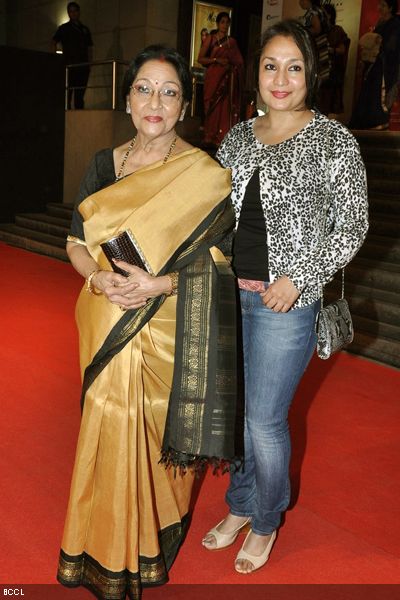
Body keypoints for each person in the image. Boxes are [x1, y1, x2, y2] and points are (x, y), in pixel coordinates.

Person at [56, 44, 239, 599]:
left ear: (183, 105)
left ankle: (147, 541)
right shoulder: (101, 164)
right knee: (107, 420)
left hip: (170, 326)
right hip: (108, 315)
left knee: (158, 435)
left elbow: (224, 263)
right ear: (128, 97)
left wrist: (157, 284)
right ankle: (98, 547)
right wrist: (97, 278)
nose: (154, 101)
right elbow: (74, 240)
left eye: (169, 91)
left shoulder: (205, 176)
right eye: (144, 88)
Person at [202, 19, 368, 574]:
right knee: (241, 415)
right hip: (231, 294)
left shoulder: (333, 140)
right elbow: (214, 210)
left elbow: (353, 225)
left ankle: (266, 518)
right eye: (271, 65)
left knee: (265, 420)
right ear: (256, 76)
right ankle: (240, 506)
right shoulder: (240, 137)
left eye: (293, 67)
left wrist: (303, 276)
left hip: (286, 303)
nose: (280, 78)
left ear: (310, 75)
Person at [349, 0, 400, 130]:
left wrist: (378, 46)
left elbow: (392, 46)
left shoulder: (395, 23)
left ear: (390, 8)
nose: (379, 8)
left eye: (383, 5)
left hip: (385, 65)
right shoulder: (380, 22)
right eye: (379, 5)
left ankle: (379, 121)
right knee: (369, 92)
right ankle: (367, 122)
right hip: (374, 63)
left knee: (379, 93)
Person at [197, 11, 244, 147]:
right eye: (222, 22)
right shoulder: (210, 39)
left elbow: (239, 62)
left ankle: (222, 137)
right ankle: (210, 135)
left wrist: (233, 67)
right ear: (217, 24)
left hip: (228, 80)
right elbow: (201, 59)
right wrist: (216, 60)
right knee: (212, 105)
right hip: (213, 78)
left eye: (227, 22)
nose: (225, 25)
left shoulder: (232, 42)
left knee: (225, 108)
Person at [52, 2, 93, 109]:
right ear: (68, 13)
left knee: (79, 95)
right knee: (68, 94)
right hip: (69, 66)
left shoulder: (84, 29)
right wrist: (55, 58)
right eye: (71, 11)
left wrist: (89, 63)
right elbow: (53, 42)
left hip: (83, 66)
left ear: (78, 12)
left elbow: (89, 47)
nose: (73, 13)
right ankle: (66, 118)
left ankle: (79, 118)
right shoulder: (64, 28)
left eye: (75, 11)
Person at [318, 4, 350, 118]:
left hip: (332, 72)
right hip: (319, 71)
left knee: (330, 103)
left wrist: (329, 50)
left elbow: (342, 50)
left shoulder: (337, 30)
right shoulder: (318, 31)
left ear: (329, 15)